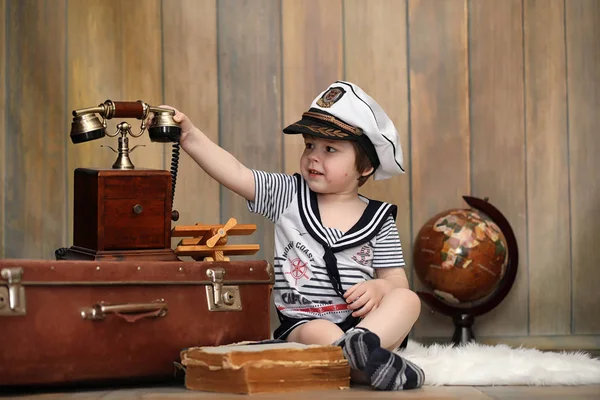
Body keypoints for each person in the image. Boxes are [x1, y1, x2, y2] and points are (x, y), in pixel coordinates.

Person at [159, 81, 424, 391]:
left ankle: (362, 350)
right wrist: (189, 136)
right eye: (309, 145)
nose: (313, 156)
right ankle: (367, 365)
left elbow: (396, 281)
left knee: (407, 299)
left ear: (364, 167)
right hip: (306, 324)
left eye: (329, 150)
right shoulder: (288, 196)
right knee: (320, 332)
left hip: (369, 327)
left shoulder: (379, 220)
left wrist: (381, 287)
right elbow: (237, 173)